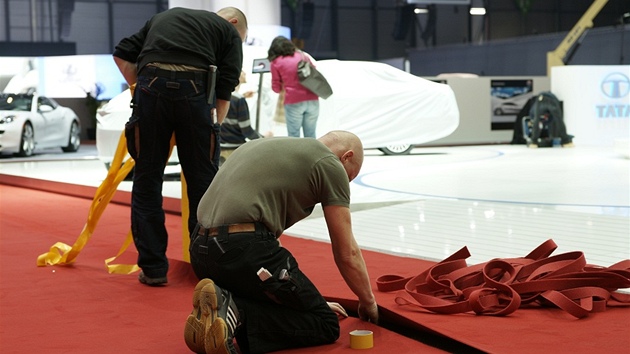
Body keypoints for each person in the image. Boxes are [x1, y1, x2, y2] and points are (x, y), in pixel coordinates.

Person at [184, 130, 379, 354]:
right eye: (350, 177)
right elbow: (347, 253)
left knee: (279, 289)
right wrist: (368, 301)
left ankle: (222, 310)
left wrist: (306, 301)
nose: (346, 184)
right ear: (346, 156)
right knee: (324, 323)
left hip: (200, 251)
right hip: (241, 250)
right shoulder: (329, 163)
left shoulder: (265, 146)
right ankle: (237, 313)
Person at [112, 7, 248, 286]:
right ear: (234, 23)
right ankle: (205, 269)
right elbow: (224, 90)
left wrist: (142, 88)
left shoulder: (165, 16)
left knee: (147, 179)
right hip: (195, 92)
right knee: (203, 185)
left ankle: (153, 269)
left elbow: (121, 53)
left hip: (151, 87)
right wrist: (213, 128)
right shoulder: (228, 32)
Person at [268, 36, 320, 138]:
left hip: (294, 101)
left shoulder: (276, 62)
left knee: (294, 136)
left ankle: (296, 155)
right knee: (311, 135)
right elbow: (314, 73)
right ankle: (312, 154)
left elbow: (276, 88)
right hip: (313, 98)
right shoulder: (303, 56)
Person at [220, 71, 271, 145]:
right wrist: (264, 139)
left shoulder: (221, 95)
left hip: (221, 144)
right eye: (242, 70)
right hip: (235, 145)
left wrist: (243, 96)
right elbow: (247, 131)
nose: (245, 73)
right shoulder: (239, 100)